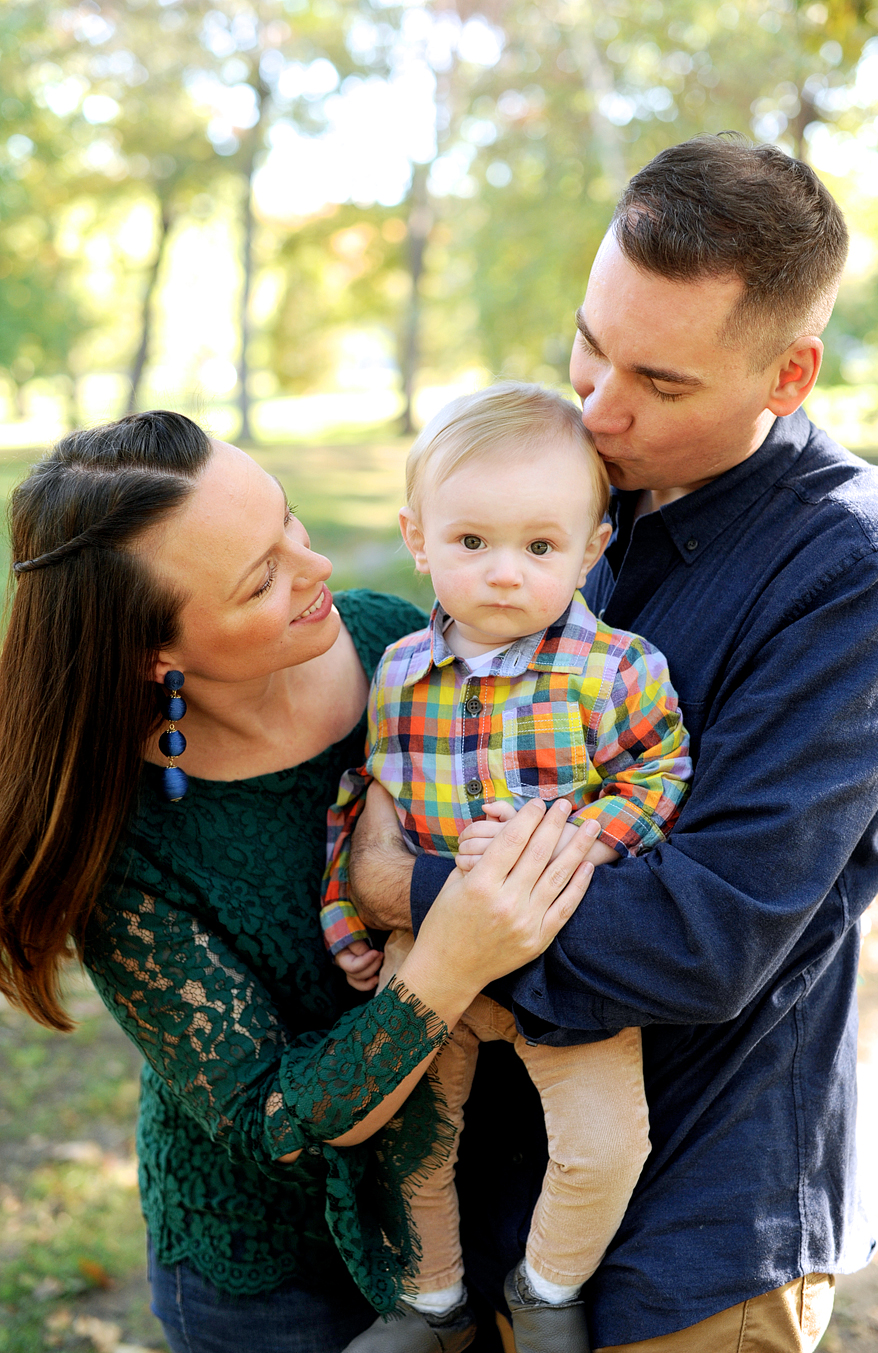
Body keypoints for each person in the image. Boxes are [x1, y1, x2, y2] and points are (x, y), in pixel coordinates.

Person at [344, 134, 878, 1352]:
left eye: (662, 380)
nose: (597, 408)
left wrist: (407, 888)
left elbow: (708, 935)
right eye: (589, 344)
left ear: (789, 375)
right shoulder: (568, 490)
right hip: (488, 1207)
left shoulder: (853, 566)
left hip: (694, 1239)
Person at [0, 410, 600, 1353]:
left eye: (290, 525)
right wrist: (443, 957)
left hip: (457, 1208)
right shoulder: (125, 848)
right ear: (159, 655)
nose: (314, 569)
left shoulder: (394, 647)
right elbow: (272, 1118)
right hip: (270, 1273)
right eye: (262, 578)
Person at [320, 382, 692, 1353]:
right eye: (471, 542)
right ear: (418, 536)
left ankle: (546, 1287)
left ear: (591, 545)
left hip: (559, 946)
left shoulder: (615, 669)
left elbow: (659, 773)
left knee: (606, 1143)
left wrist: (571, 837)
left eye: (540, 546)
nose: (501, 575)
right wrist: (351, 924)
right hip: (430, 942)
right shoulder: (398, 671)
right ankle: (431, 1300)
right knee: (410, 1134)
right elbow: (370, 805)